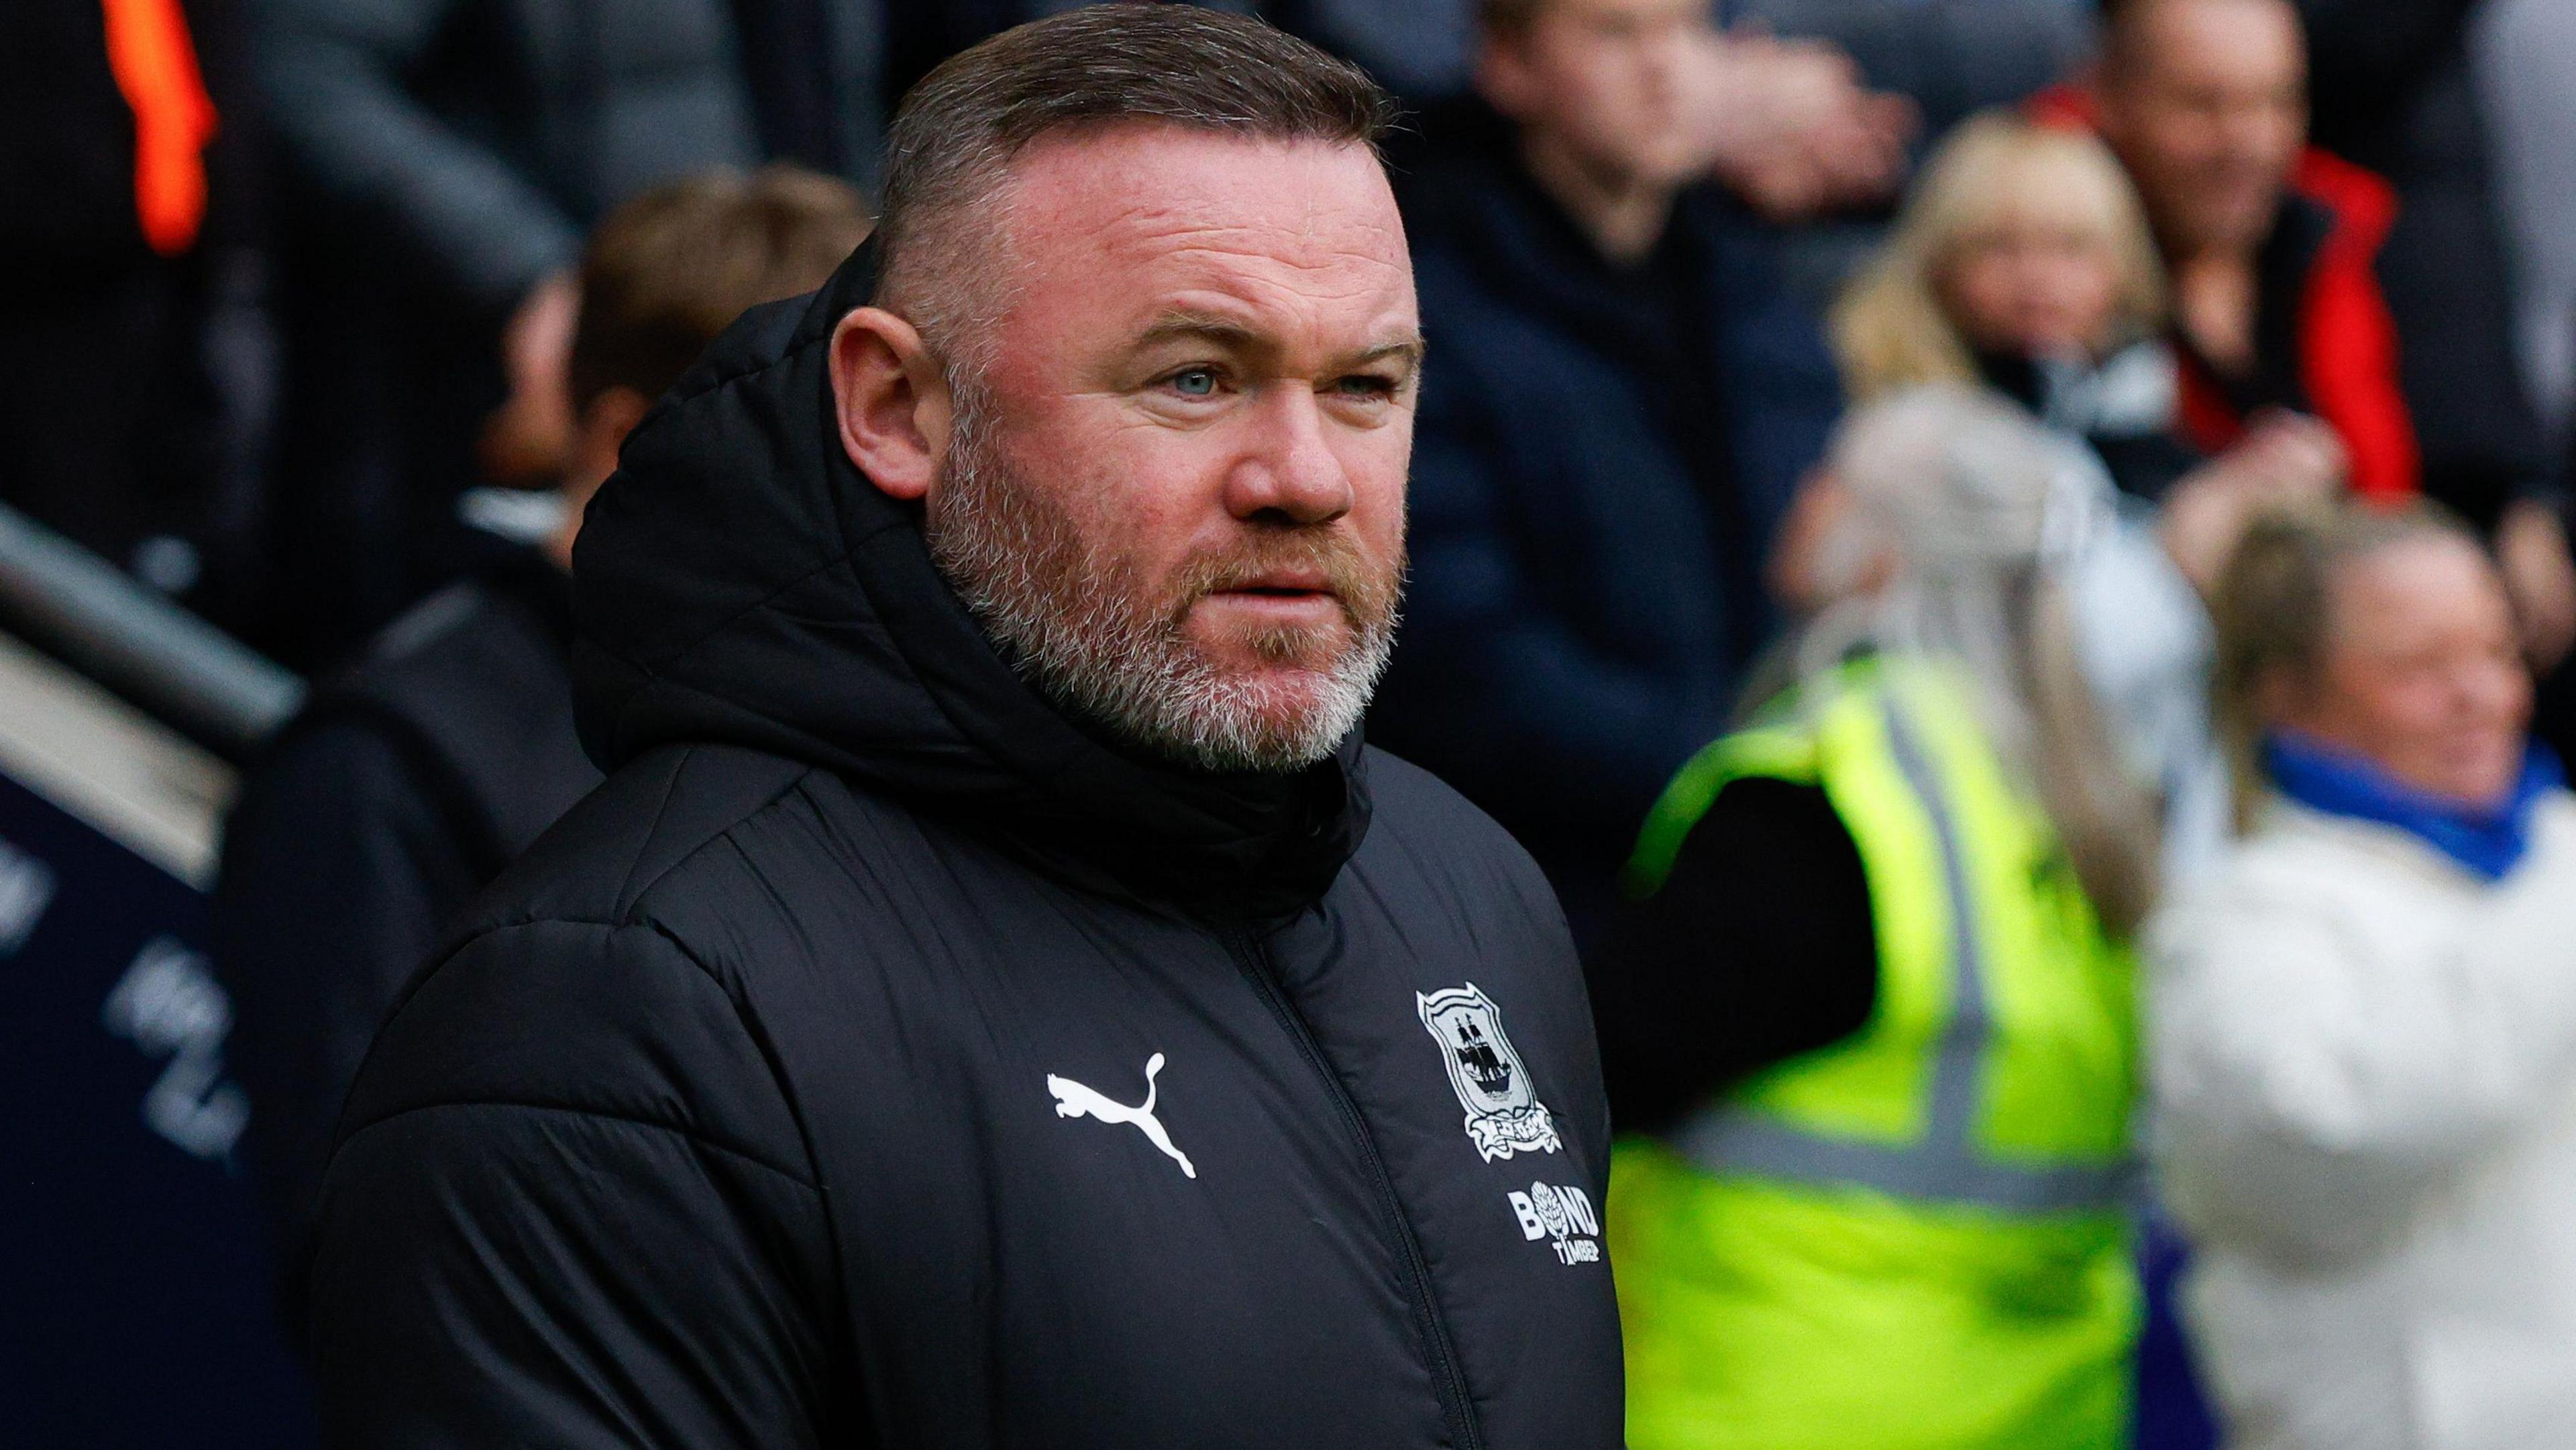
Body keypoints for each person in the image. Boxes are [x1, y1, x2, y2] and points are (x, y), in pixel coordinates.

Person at [302, 10, 1623, 1447]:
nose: (1305, 476)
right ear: (896, 406)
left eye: (1367, 386)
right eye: (1195, 376)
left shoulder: (1470, 898)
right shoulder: (620, 1024)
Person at [209, 165, 869, 1341]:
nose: (882, 505)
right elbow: (377, 1264)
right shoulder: (385, 768)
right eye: (821, 452)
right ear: (630, 443)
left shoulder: (842, 745)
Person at [1599, 386, 2153, 1449]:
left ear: (1881, 554)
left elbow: (1605, 1060)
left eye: (1831, 486)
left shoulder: (1823, 796)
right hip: (2048, 1403)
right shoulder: (2085, 791)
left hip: (1786, 1393)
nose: (1798, 504)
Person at [1369, 0, 1848, 943]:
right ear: (1509, 64)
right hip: (1544, 905)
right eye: (1617, 34)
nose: (1665, 68)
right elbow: (1460, 656)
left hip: (1770, 873)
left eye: (1687, 30)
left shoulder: (1758, 296)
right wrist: (1728, 777)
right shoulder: (1430, 314)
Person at [2150, 504, 2576, 1450]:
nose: (2481, 697)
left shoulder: (2553, 854)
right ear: (2284, 694)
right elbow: (2326, 1137)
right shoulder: (2241, 919)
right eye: (2419, 668)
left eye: (2500, 654)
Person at [2059, 0, 2576, 668]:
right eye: (2202, 106)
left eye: (2277, 103)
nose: (2247, 142)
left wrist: (2519, 498)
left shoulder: (2337, 237)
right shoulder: (2043, 265)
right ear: (2109, 96)